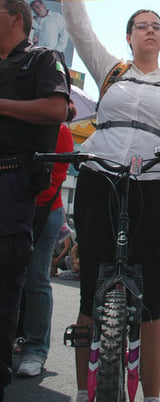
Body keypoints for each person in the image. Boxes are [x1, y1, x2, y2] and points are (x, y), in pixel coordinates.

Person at [56, 0, 160, 402]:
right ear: (128, 36)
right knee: (89, 294)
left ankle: (152, 397)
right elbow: (77, 25)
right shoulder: (110, 70)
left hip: (157, 186)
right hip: (101, 179)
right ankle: (85, 392)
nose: (150, 31)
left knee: (152, 302)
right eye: (142, 25)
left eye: (157, 26)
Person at [0, 0, 69, 401]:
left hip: (13, 180)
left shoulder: (43, 59)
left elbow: (57, 108)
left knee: (10, 281)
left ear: (16, 19)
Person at [16, 109, 75, 377]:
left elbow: (54, 178)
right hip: (16, 208)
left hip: (44, 211)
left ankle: (35, 349)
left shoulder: (59, 131)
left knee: (36, 278)